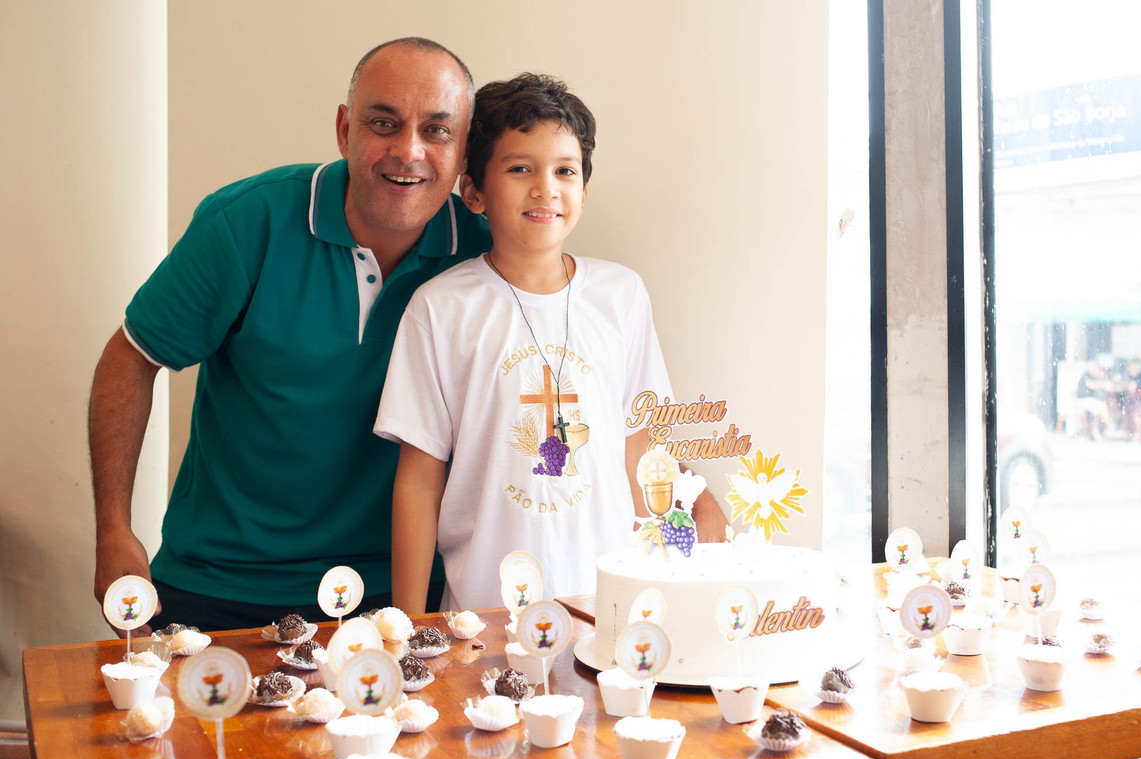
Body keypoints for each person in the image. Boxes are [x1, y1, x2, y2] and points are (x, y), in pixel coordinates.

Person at [89, 38, 491, 634]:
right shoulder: (248, 221)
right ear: (344, 129)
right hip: (221, 582)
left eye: (437, 130)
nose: (409, 151)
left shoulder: (485, 253)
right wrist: (113, 529)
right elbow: (132, 355)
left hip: (401, 589)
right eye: (384, 123)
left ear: (463, 151)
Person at [374, 73, 725, 614]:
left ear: (584, 190)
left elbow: (640, 450)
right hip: (484, 612)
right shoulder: (440, 308)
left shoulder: (621, 295)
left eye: (565, 171)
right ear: (474, 191)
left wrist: (672, 570)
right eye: (520, 169)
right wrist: (410, 624)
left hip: (610, 605)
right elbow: (420, 482)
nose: (546, 188)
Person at [1074, 360, 1112, 440]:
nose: (1097, 371)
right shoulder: (1086, 375)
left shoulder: (1093, 376)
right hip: (1083, 400)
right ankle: (1109, 426)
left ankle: (1098, 430)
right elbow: (1091, 385)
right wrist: (1103, 384)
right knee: (1101, 406)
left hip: (1088, 400)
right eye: (1096, 369)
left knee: (1099, 407)